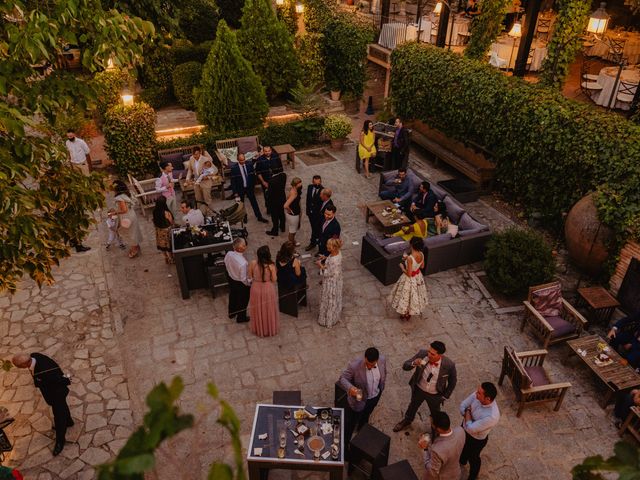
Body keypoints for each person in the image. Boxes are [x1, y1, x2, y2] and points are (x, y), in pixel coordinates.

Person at [12, 353, 73, 456]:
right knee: (63, 407)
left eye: (20, 367)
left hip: (57, 394)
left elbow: (61, 380)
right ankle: (69, 421)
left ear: (25, 364)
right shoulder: (34, 356)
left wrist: (66, 379)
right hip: (51, 389)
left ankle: (60, 441)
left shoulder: (46, 372)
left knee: (59, 417)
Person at [393, 341, 457, 432]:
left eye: (432, 354)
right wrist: (414, 363)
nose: (429, 355)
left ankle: (435, 429)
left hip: (435, 394)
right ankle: (407, 420)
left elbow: (453, 381)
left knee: (435, 413)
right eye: (429, 352)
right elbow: (405, 366)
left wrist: (445, 396)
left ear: (440, 355)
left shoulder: (449, 365)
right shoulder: (422, 354)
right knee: (412, 406)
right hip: (419, 389)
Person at [339, 347, 387, 444]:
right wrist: (351, 388)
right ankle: (346, 444)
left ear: (377, 360)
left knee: (366, 416)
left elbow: (384, 373)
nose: (369, 367)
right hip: (358, 401)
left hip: (375, 396)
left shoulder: (382, 360)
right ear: (364, 358)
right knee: (350, 424)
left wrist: (381, 388)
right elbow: (343, 378)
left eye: (372, 365)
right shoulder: (354, 366)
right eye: (367, 364)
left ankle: (361, 431)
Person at [459, 382, 500, 480]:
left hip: (476, 440)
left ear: (488, 399)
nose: (475, 394)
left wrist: (468, 411)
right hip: (464, 428)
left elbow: (471, 429)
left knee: (473, 458)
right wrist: (468, 417)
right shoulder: (477, 395)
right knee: (462, 447)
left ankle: (473, 476)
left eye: (479, 393)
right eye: (477, 391)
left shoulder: (492, 416)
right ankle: (462, 460)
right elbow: (462, 406)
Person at [389, 237, 429, 320]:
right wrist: (408, 259)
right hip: (418, 277)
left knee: (406, 295)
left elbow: (409, 274)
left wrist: (402, 267)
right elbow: (422, 266)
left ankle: (405, 313)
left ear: (411, 245)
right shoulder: (421, 254)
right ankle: (409, 313)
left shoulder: (410, 258)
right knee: (413, 295)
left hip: (409, 280)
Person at [419, 411, 466, 480]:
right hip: (456, 473)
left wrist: (424, 449)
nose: (431, 425)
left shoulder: (437, 450)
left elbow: (432, 472)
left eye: (432, 424)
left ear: (438, 429)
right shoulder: (460, 431)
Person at [248, 245, 279, 337]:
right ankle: (268, 328)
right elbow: (274, 279)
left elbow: (250, 276)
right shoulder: (271, 266)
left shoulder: (253, 263)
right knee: (268, 309)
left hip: (256, 288)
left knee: (257, 309)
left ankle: (259, 328)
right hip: (267, 289)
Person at [230, 153, 268, 223]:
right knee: (241, 204)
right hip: (240, 188)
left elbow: (253, 175)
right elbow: (233, 181)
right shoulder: (234, 168)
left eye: (244, 159)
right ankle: (244, 217)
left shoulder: (249, 164)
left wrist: (252, 185)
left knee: (254, 203)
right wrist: (235, 192)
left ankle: (259, 216)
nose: (243, 161)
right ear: (237, 160)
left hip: (249, 188)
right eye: (241, 160)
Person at [317, 238, 343, 328]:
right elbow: (331, 263)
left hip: (331, 283)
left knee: (329, 300)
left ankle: (328, 319)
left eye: (329, 245)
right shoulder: (337, 253)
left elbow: (328, 273)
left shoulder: (334, 260)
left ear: (335, 247)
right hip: (336, 280)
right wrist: (325, 258)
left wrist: (320, 265)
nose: (327, 246)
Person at [113, 180, 143, 259]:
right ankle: (136, 246)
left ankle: (134, 249)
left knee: (129, 233)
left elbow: (124, 210)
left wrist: (115, 212)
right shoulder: (128, 193)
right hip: (132, 214)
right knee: (134, 231)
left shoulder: (119, 198)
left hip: (126, 217)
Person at [225, 238, 251, 323]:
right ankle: (241, 318)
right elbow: (243, 279)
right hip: (240, 283)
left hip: (231, 279)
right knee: (243, 301)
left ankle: (231, 313)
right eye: (244, 245)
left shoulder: (229, 254)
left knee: (233, 296)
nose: (245, 246)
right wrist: (248, 284)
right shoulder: (243, 263)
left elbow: (225, 262)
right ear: (240, 249)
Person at [185, 146, 217, 214]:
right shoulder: (191, 158)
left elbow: (215, 170)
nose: (195, 156)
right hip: (196, 183)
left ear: (200, 153)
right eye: (193, 154)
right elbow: (190, 170)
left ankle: (210, 215)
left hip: (206, 183)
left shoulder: (206, 159)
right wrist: (187, 178)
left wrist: (208, 177)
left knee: (207, 200)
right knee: (198, 200)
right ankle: (201, 215)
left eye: (196, 154)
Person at [255, 145, 284, 214]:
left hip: (276, 181)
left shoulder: (276, 157)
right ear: (263, 151)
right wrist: (263, 182)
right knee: (268, 197)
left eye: (269, 151)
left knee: (277, 195)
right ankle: (269, 210)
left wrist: (280, 180)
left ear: (271, 150)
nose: (267, 152)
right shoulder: (259, 160)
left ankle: (278, 208)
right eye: (266, 151)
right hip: (266, 181)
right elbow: (258, 172)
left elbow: (281, 169)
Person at [308, 187, 334, 252]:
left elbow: (327, 217)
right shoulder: (321, 200)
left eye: (321, 194)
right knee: (314, 233)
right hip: (316, 221)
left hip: (321, 224)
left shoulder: (330, 205)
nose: (320, 195)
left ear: (325, 196)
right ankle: (312, 243)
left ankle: (321, 251)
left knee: (321, 239)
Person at [266, 168, 287, 236]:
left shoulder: (271, 181)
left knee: (275, 217)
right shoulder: (283, 176)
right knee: (281, 214)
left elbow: (270, 193)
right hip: (282, 199)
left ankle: (275, 231)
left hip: (274, 202)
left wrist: (266, 192)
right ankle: (282, 227)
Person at [153, 196, 174, 264]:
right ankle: (171, 258)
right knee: (168, 246)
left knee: (162, 246)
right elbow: (171, 222)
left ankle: (166, 257)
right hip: (166, 231)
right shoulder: (166, 213)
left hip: (159, 231)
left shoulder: (154, 211)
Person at [305, 175, 323, 251]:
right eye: (315, 184)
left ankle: (314, 243)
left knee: (317, 229)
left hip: (318, 215)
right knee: (313, 228)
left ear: (321, 182)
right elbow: (308, 200)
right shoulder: (309, 187)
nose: (317, 185)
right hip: (310, 213)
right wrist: (307, 211)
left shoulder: (323, 190)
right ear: (312, 182)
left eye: (318, 184)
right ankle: (313, 242)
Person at [283, 177, 303, 245]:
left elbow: (287, 198)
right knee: (292, 231)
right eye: (299, 183)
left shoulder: (294, 190)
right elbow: (285, 205)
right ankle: (291, 246)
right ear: (295, 185)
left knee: (293, 230)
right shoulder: (293, 193)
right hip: (293, 216)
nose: (301, 184)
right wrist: (290, 211)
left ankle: (293, 241)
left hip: (295, 214)